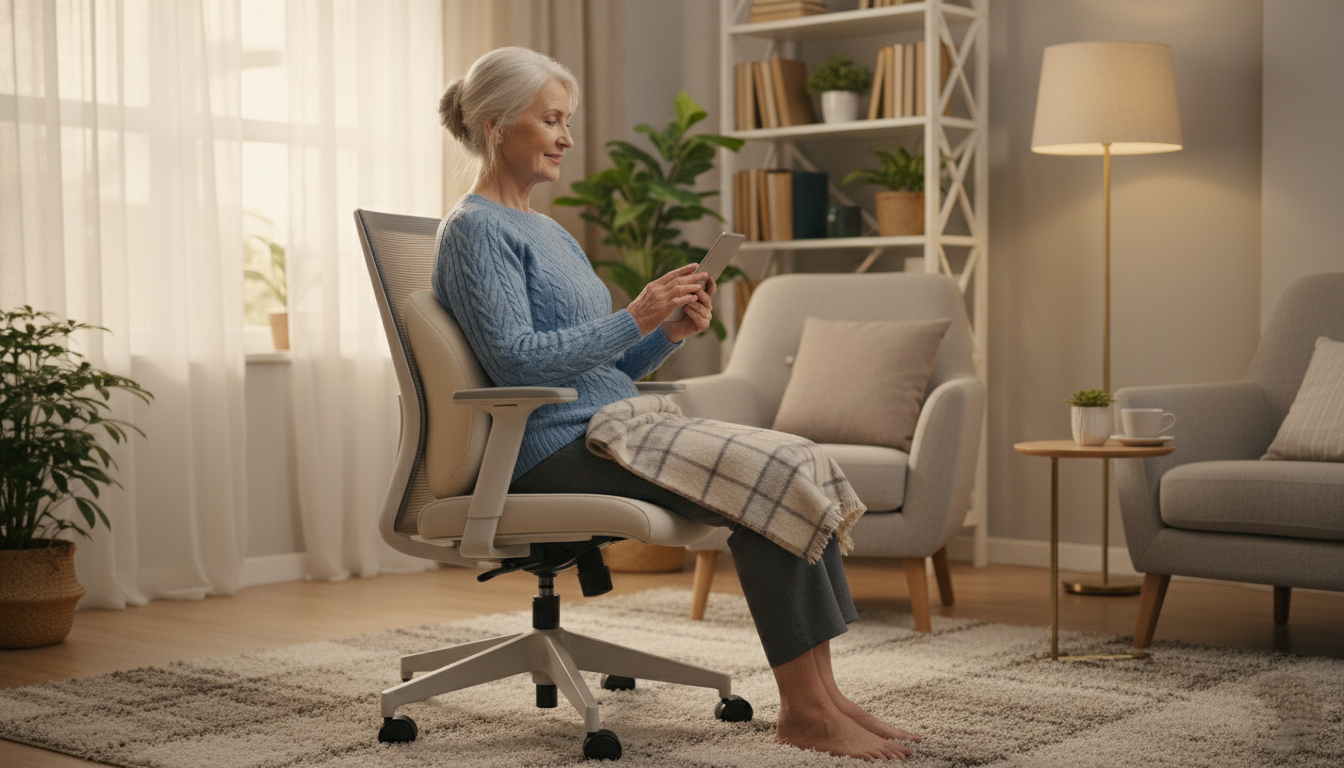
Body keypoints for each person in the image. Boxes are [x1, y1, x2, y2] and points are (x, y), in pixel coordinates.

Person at [433, 46, 920, 762]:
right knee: (767, 481)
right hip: (550, 447)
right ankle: (806, 713)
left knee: (795, 458)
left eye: (567, 120)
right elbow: (515, 363)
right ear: (497, 124)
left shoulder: (547, 229)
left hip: (608, 423)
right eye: (552, 120)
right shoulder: (475, 230)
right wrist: (635, 313)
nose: (567, 137)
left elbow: (598, 363)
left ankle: (826, 695)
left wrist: (665, 334)